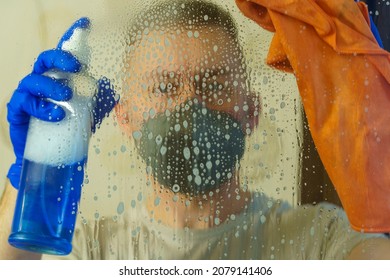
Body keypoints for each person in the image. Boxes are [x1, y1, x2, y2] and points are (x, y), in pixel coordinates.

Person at [1, 0, 390, 260]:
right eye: (165, 87)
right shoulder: (88, 251)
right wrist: (32, 174)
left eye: (216, 84)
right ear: (124, 118)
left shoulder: (321, 242)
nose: (191, 104)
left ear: (251, 111)